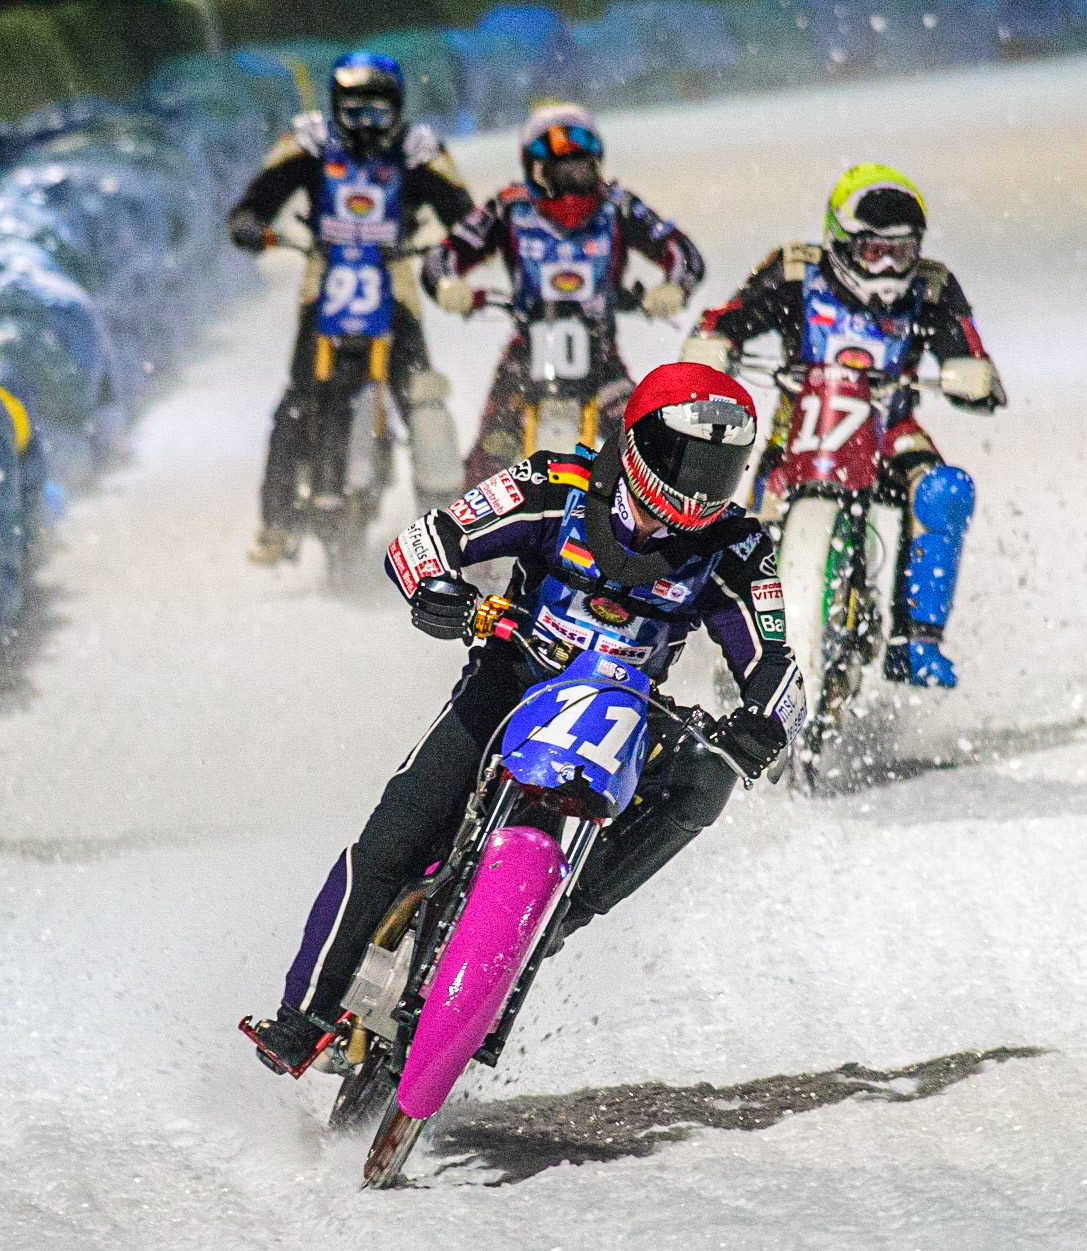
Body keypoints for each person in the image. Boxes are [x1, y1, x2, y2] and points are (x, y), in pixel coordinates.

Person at [246, 362, 803, 1073]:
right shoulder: (552, 485)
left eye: (719, 469)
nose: (699, 486)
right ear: (636, 440)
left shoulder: (736, 547)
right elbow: (421, 542)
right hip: (512, 679)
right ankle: (303, 1014)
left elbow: (780, 665)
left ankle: (564, 910)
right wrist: (437, 594)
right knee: (391, 840)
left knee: (711, 777)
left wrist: (766, 721)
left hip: (627, 719)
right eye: (685, 460)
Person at [681, 163, 1006, 687]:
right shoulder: (794, 271)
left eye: (899, 252)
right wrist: (713, 343)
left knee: (944, 492)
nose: (885, 268)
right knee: (742, 535)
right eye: (872, 251)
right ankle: (732, 647)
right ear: (839, 240)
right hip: (798, 432)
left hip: (891, 430)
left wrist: (972, 372)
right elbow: (727, 317)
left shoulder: (934, 286)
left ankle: (916, 642)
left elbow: (967, 350)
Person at [227, 52, 477, 565]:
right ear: (336, 107)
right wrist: (252, 225)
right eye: (355, 111)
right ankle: (274, 523)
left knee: (421, 398)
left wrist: (452, 251)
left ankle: (451, 536)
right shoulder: (308, 142)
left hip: (396, 278)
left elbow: (466, 216)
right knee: (298, 396)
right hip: (325, 278)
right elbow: (254, 202)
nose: (366, 124)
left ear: (398, 109)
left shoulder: (419, 149)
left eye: (377, 112)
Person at [422, 103, 705, 485]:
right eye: (563, 171)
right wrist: (447, 285)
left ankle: (651, 538)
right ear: (535, 170)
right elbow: (444, 255)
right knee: (488, 463)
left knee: (649, 455)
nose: (575, 182)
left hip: (602, 361)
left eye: (583, 168)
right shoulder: (510, 206)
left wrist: (674, 288)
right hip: (524, 359)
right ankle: (471, 538)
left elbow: (683, 253)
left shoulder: (617, 205)